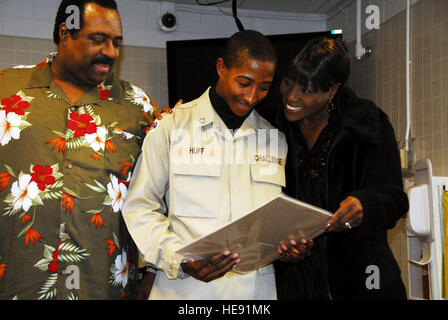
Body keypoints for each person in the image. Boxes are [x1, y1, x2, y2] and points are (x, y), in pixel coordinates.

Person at [0, 0, 168, 300]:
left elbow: (163, 195)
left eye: (116, 43)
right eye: (98, 39)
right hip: (17, 283)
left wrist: (155, 272)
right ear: (65, 33)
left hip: (103, 287)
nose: (111, 52)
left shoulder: (137, 105)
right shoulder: (6, 90)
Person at [121, 30, 288, 299]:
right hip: (185, 291)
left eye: (264, 87)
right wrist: (181, 259)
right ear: (221, 68)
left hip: (255, 294)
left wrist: (287, 244)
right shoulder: (171, 127)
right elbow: (140, 207)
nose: (252, 96)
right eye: (244, 83)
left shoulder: (274, 140)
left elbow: (270, 221)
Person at [266, 37, 408, 300]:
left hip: (362, 281)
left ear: (332, 90)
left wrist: (364, 205)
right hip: (299, 285)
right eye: (288, 82)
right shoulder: (273, 125)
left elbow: (395, 199)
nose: (292, 96)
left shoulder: (367, 123)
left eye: (306, 91)